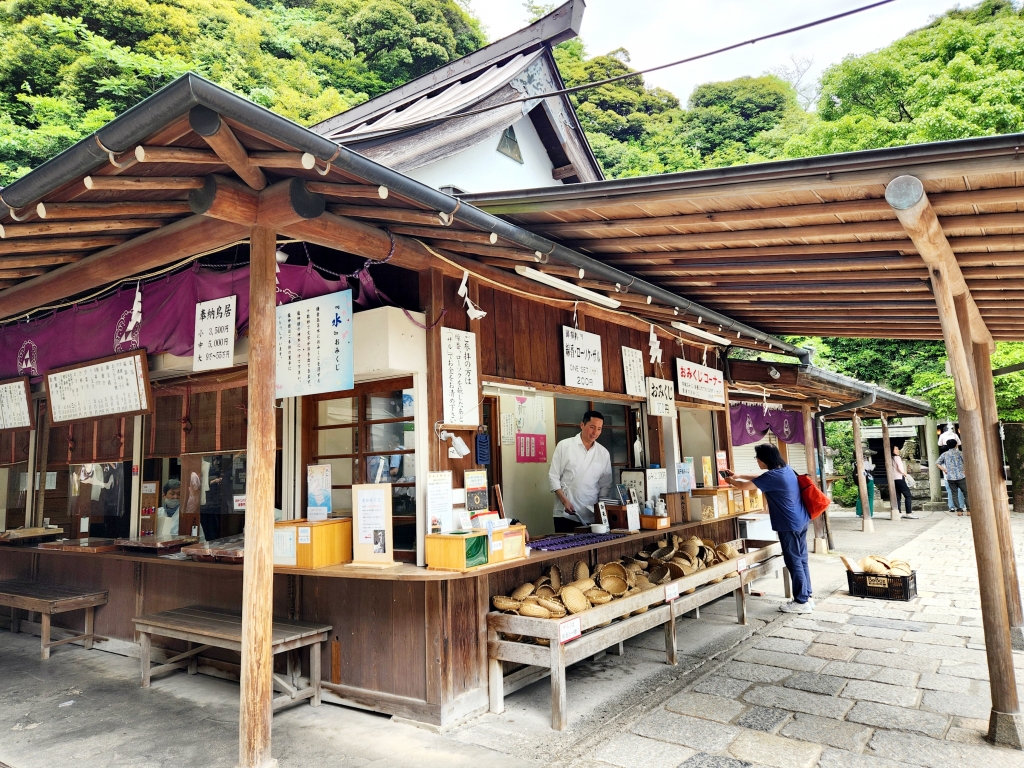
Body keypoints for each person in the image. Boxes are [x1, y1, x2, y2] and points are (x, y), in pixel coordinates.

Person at [723, 444, 813, 613]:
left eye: (757, 457)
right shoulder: (785, 470)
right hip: (801, 520)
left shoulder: (773, 477)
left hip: (789, 524)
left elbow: (744, 487)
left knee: (793, 561)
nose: (756, 460)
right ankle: (807, 596)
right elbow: (761, 477)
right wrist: (740, 474)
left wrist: (732, 481)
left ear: (764, 459)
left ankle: (801, 602)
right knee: (801, 559)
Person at [548, 410, 613, 532]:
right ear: (582, 425)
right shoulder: (564, 446)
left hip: (591, 514)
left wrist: (600, 511)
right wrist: (564, 501)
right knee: (566, 548)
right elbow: (553, 476)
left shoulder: (603, 453)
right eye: (592, 427)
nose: (595, 432)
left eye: (599, 428)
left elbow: (605, 484)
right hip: (565, 510)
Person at [936, 443, 969, 515]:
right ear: (956, 445)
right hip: (961, 476)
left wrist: (944, 470)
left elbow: (937, 463)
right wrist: (965, 470)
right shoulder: (960, 453)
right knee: (966, 493)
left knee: (954, 494)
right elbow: (966, 462)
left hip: (950, 477)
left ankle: (959, 510)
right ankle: (968, 510)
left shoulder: (945, 454)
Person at [891, 445, 916, 519]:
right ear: (892, 451)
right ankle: (908, 512)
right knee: (907, 495)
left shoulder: (891, 458)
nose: (898, 450)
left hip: (894, 479)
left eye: (897, 449)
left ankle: (898, 512)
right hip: (899, 477)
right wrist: (905, 474)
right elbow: (900, 468)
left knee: (897, 496)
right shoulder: (897, 457)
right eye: (896, 449)